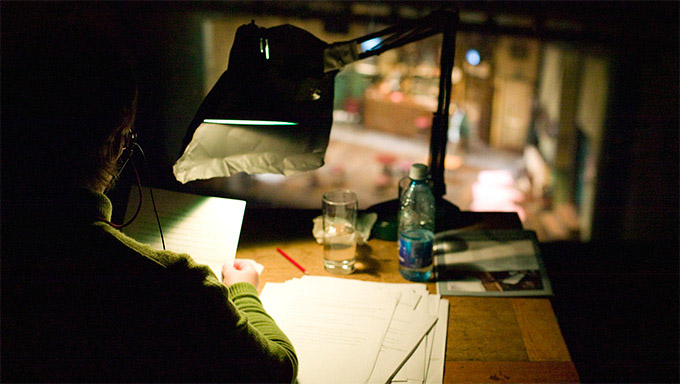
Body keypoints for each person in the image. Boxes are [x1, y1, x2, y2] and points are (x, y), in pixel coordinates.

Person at [1, 21, 298, 383]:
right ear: (115, 143)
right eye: (127, 136)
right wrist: (244, 292)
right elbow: (277, 371)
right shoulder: (174, 286)